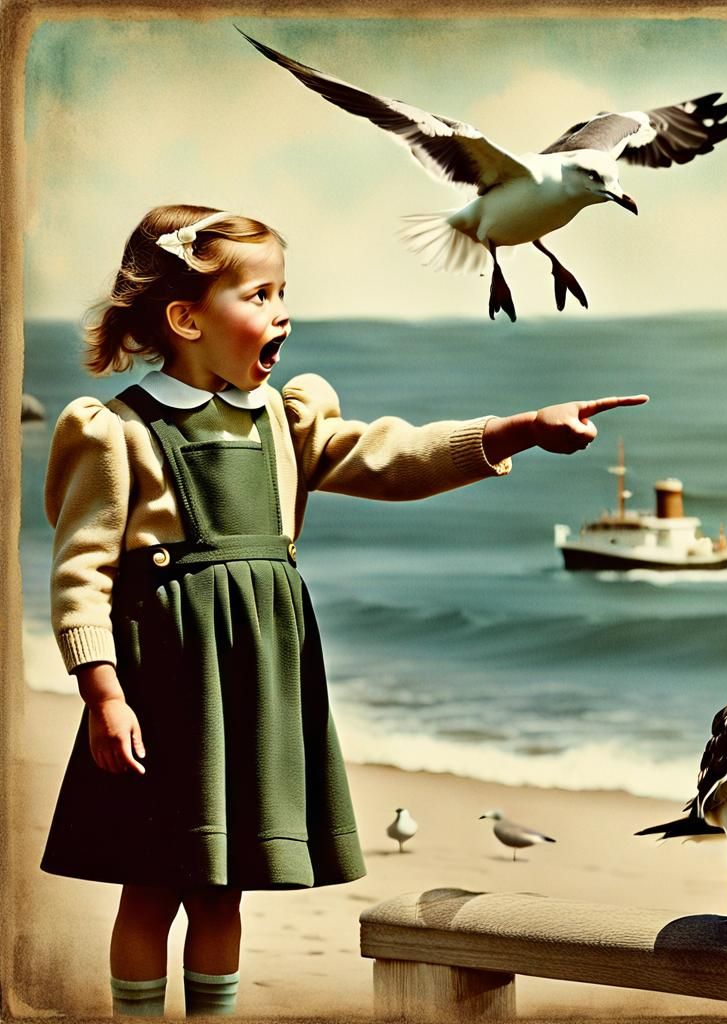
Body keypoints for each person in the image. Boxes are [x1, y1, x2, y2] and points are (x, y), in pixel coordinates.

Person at [41, 204, 647, 1017]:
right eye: (258, 295)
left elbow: (396, 458)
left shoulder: (284, 420)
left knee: (223, 887)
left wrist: (518, 431)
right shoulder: (117, 432)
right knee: (150, 884)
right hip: (166, 687)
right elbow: (80, 572)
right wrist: (102, 692)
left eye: (283, 291)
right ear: (186, 319)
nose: (281, 311)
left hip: (255, 685)